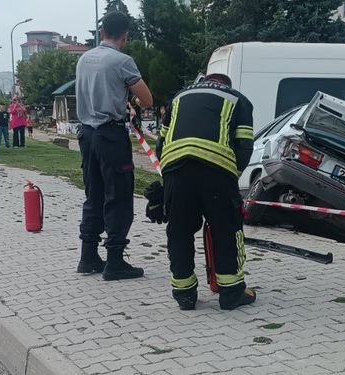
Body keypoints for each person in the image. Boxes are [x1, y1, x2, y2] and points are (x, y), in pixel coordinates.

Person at [146, 73, 255, 310]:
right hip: (217, 173)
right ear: (225, 85)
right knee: (227, 229)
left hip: (176, 170)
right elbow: (245, 145)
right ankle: (231, 292)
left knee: (179, 230)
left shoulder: (178, 98)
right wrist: (231, 176)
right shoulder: (239, 100)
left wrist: (169, 177)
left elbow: (161, 143)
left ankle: (184, 294)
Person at [75, 11, 153, 280]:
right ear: (125, 35)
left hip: (86, 134)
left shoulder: (84, 59)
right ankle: (115, 260)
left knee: (93, 193)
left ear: (101, 32)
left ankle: (88, 256)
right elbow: (147, 98)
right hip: (111, 136)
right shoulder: (122, 61)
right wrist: (131, 103)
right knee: (118, 196)